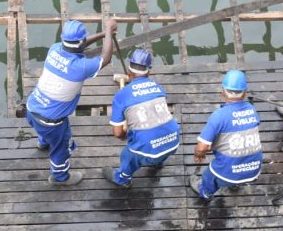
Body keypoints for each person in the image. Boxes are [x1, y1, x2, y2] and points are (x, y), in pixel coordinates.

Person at [25, 19, 117, 186]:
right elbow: (106, 58)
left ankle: (43, 142)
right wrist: (109, 32)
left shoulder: (54, 49)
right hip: (52, 123)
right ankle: (60, 177)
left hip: (32, 108)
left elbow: (79, 44)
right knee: (61, 148)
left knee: (44, 129)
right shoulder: (80, 67)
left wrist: (104, 34)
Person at [103, 49, 180, 188]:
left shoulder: (121, 96)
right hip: (173, 142)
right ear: (148, 71)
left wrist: (125, 135)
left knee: (128, 154)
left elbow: (118, 133)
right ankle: (157, 163)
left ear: (128, 71)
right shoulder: (158, 87)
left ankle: (122, 179)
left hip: (146, 149)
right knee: (156, 139)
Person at [190, 70, 262, 200]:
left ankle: (205, 192)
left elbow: (201, 148)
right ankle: (235, 184)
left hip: (228, 172)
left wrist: (199, 155)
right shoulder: (252, 110)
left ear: (223, 92)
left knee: (209, 176)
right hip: (254, 170)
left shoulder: (219, 116)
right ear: (245, 93)